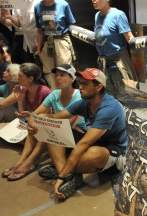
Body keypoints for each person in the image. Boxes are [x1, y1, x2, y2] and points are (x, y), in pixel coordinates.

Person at [31, 68, 127, 200]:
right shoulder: (85, 102)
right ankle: (69, 175)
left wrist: (60, 177)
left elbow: (84, 143)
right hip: (93, 142)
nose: (80, 87)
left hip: (113, 150)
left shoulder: (109, 108)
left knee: (92, 155)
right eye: (80, 83)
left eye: (85, 84)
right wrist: (36, 121)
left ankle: (63, 172)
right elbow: (55, 117)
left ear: (99, 87)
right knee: (53, 131)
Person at [4, 64, 83, 181]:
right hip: (59, 131)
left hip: (77, 133)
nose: (58, 78)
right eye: (56, 75)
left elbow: (68, 124)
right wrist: (31, 125)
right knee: (37, 123)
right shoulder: (55, 94)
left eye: (62, 75)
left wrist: (43, 121)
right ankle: (22, 161)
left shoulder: (78, 97)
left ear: (72, 78)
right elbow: (35, 114)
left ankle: (28, 163)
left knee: (46, 127)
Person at [89, 0, 136, 102]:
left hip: (119, 64)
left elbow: (129, 38)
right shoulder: (96, 15)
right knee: (108, 97)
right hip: (104, 64)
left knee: (126, 98)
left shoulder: (117, 15)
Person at [35, 0, 76, 88]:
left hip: (61, 41)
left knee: (65, 69)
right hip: (46, 43)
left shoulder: (63, 4)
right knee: (49, 72)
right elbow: (39, 30)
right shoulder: (37, 7)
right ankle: (55, 95)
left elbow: (71, 24)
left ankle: (68, 95)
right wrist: (38, 49)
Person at [1, 0, 43, 64]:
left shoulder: (39, 1)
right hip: (26, 43)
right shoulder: (18, 1)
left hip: (39, 44)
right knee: (28, 68)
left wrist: (38, 43)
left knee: (40, 71)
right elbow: (19, 23)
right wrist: (9, 16)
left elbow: (43, 26)